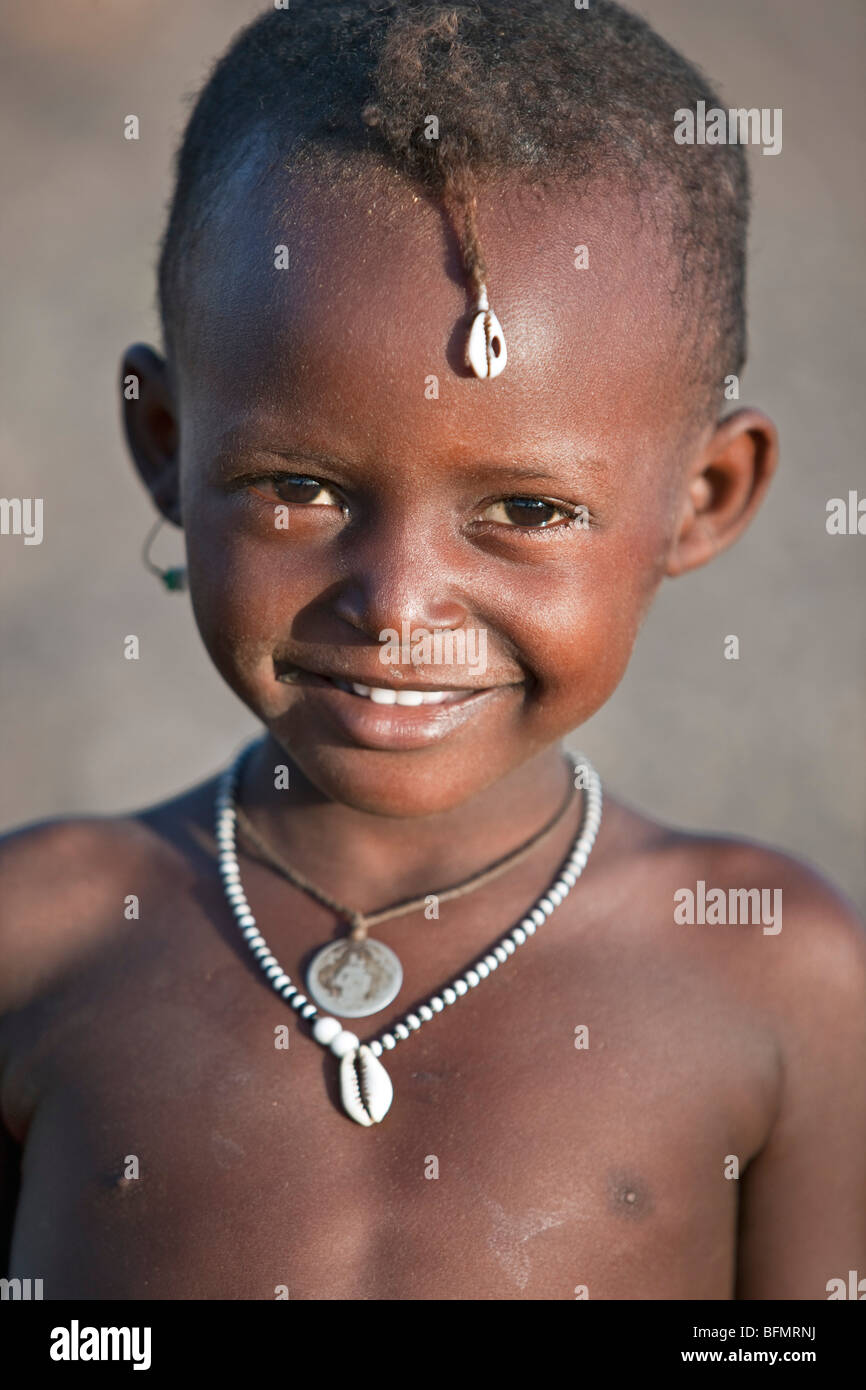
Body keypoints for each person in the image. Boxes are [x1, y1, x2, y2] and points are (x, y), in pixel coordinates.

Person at [1, 0, 863, 1300]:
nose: (397, 604)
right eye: (297, 484)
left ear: (704, 499)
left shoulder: (770, 970)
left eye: (524, 509)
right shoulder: (40, 934)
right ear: (168, 447)